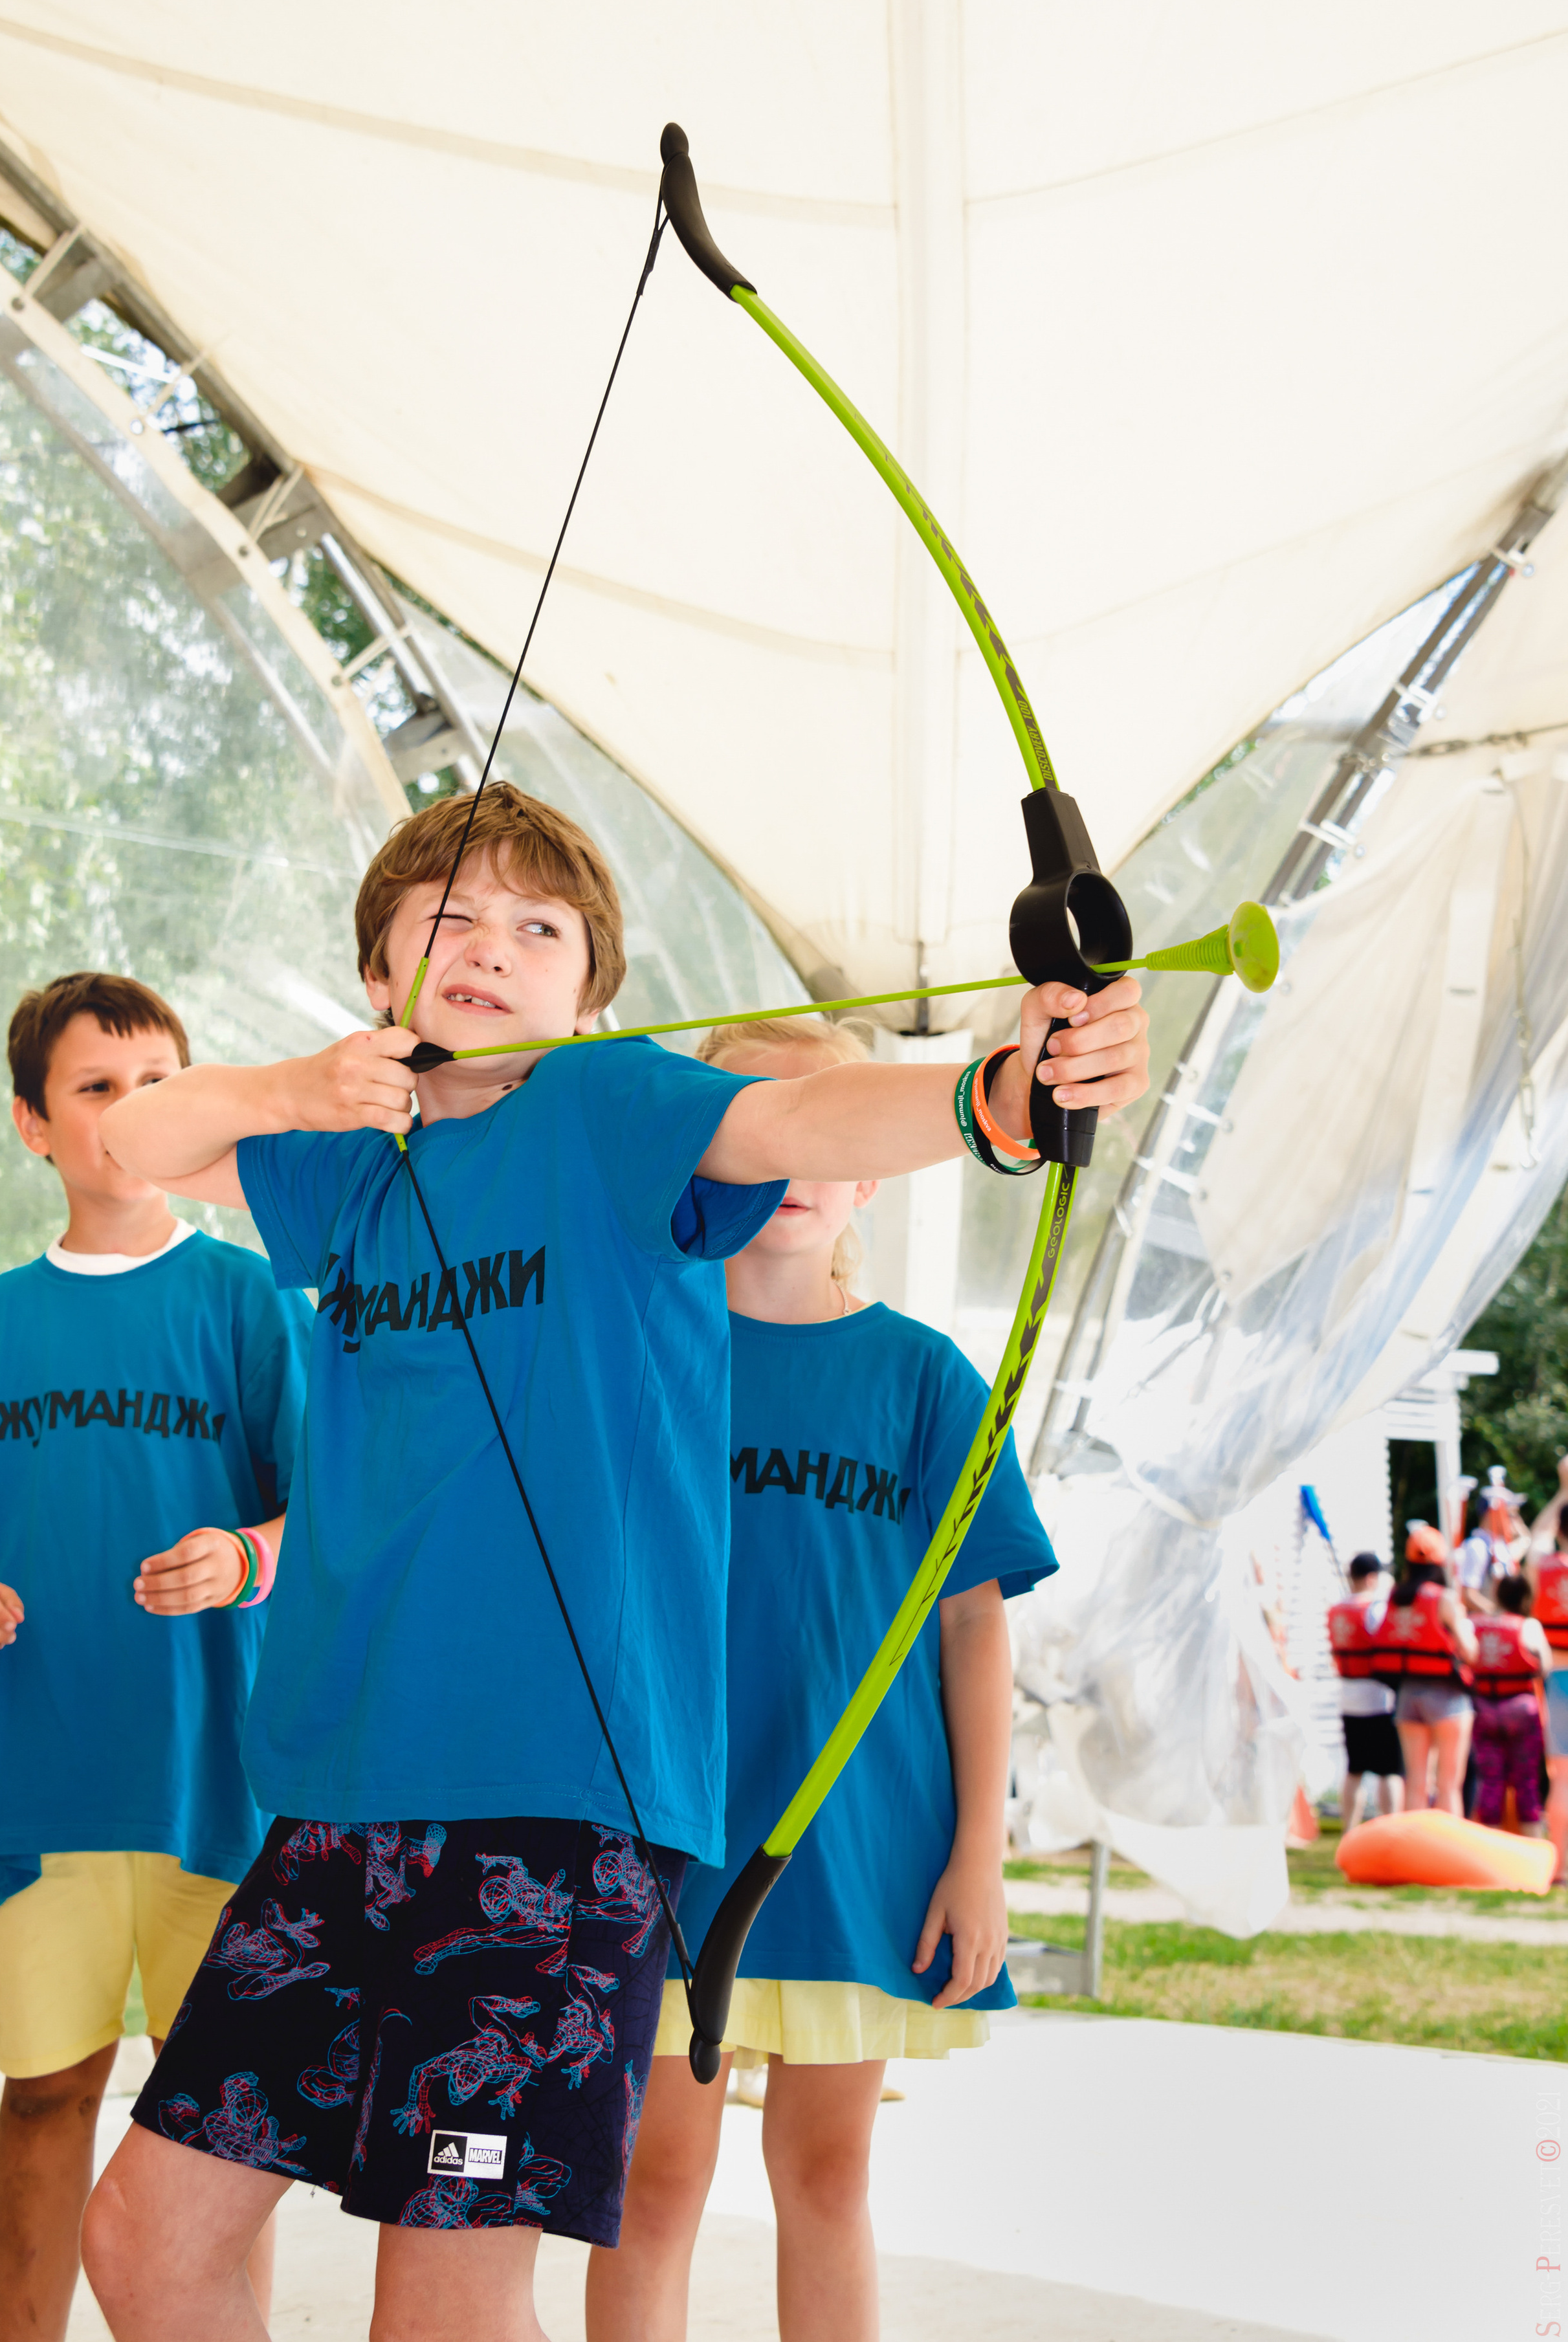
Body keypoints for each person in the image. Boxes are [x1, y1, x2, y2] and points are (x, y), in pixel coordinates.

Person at [77, 784, 1150, 2342]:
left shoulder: (613, 1110)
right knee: (147, 2240)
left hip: (552, 1818)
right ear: (381, 971)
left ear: (593, 992)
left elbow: (796, 1118)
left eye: (538, 926)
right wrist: (298, 1084)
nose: (490, 945)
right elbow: (132, 1136)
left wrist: (1000, 1090)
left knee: (442, 2303)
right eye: (447, 916)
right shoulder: (342, 1161)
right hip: (334, 1804)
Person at [588, 1015, 1057, 2342]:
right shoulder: (633, 1362)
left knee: (825, 2170)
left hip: (852, 1842)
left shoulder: (920, 1377)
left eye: (827, 1118)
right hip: (667, 1838)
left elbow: (974, 1628)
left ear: (874, 1164)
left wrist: (980, 1850)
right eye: (753, 1118)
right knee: (652, 2174)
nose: (793, 1154)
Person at [0, 972, 309, 2342]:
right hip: (45, 1788)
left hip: (219, 1785)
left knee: (213, 2142)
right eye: (96, 1087)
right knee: (45, 2096)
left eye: (158, 1081)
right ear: (33, 1123)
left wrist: (242, 1558)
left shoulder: (253, 1301)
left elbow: (323, 1519)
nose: (133, 1111)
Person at [1370, 1527, 1479, 1813]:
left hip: (1408, 1696)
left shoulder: (1394, 1597)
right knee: (1449, 1784)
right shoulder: (1444, 1599)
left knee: (1416, 1783)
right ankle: (1449, 1852)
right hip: (1447, 1698)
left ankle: (1414, 1854)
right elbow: (1470, 1652)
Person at [1468, 1573, 1551, 1834]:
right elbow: (1545, 1668)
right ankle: (1534, 1852)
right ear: (1525, 1598)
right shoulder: (1529, 1626)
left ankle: (1491, 1855)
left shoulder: (1474, 1623)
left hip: (1483, 1710)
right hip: (1521, 1710)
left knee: (1490, 1782)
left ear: (1498, 1595)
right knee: (1527, 1783)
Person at [1326, 1552, 1403, 1828]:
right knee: (1390, 1771)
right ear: (1372, 1578)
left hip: (1348, 1698)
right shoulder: (1376, 1609)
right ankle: (1391, 1828)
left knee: (1355, 1769)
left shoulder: (1336, 1609)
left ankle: (1350, 1831)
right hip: (1378, 1698)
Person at [1525, 1459, 1568, 1884]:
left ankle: (1562, 1865)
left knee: (1563, 1778)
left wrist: (1562, 1489)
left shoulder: (1544, 1566)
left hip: (1557, 1679)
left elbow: (1536, 1537)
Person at [1458, 1468, 1525, 1613]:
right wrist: (1499, 1616)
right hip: (1484, 1629)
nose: (1515, 1521)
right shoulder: (1477, 1547)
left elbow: (1526, 1541)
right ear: (1491, 1514)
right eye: (1510, 1515)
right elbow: (1468, 1595)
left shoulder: (1500, 1546)